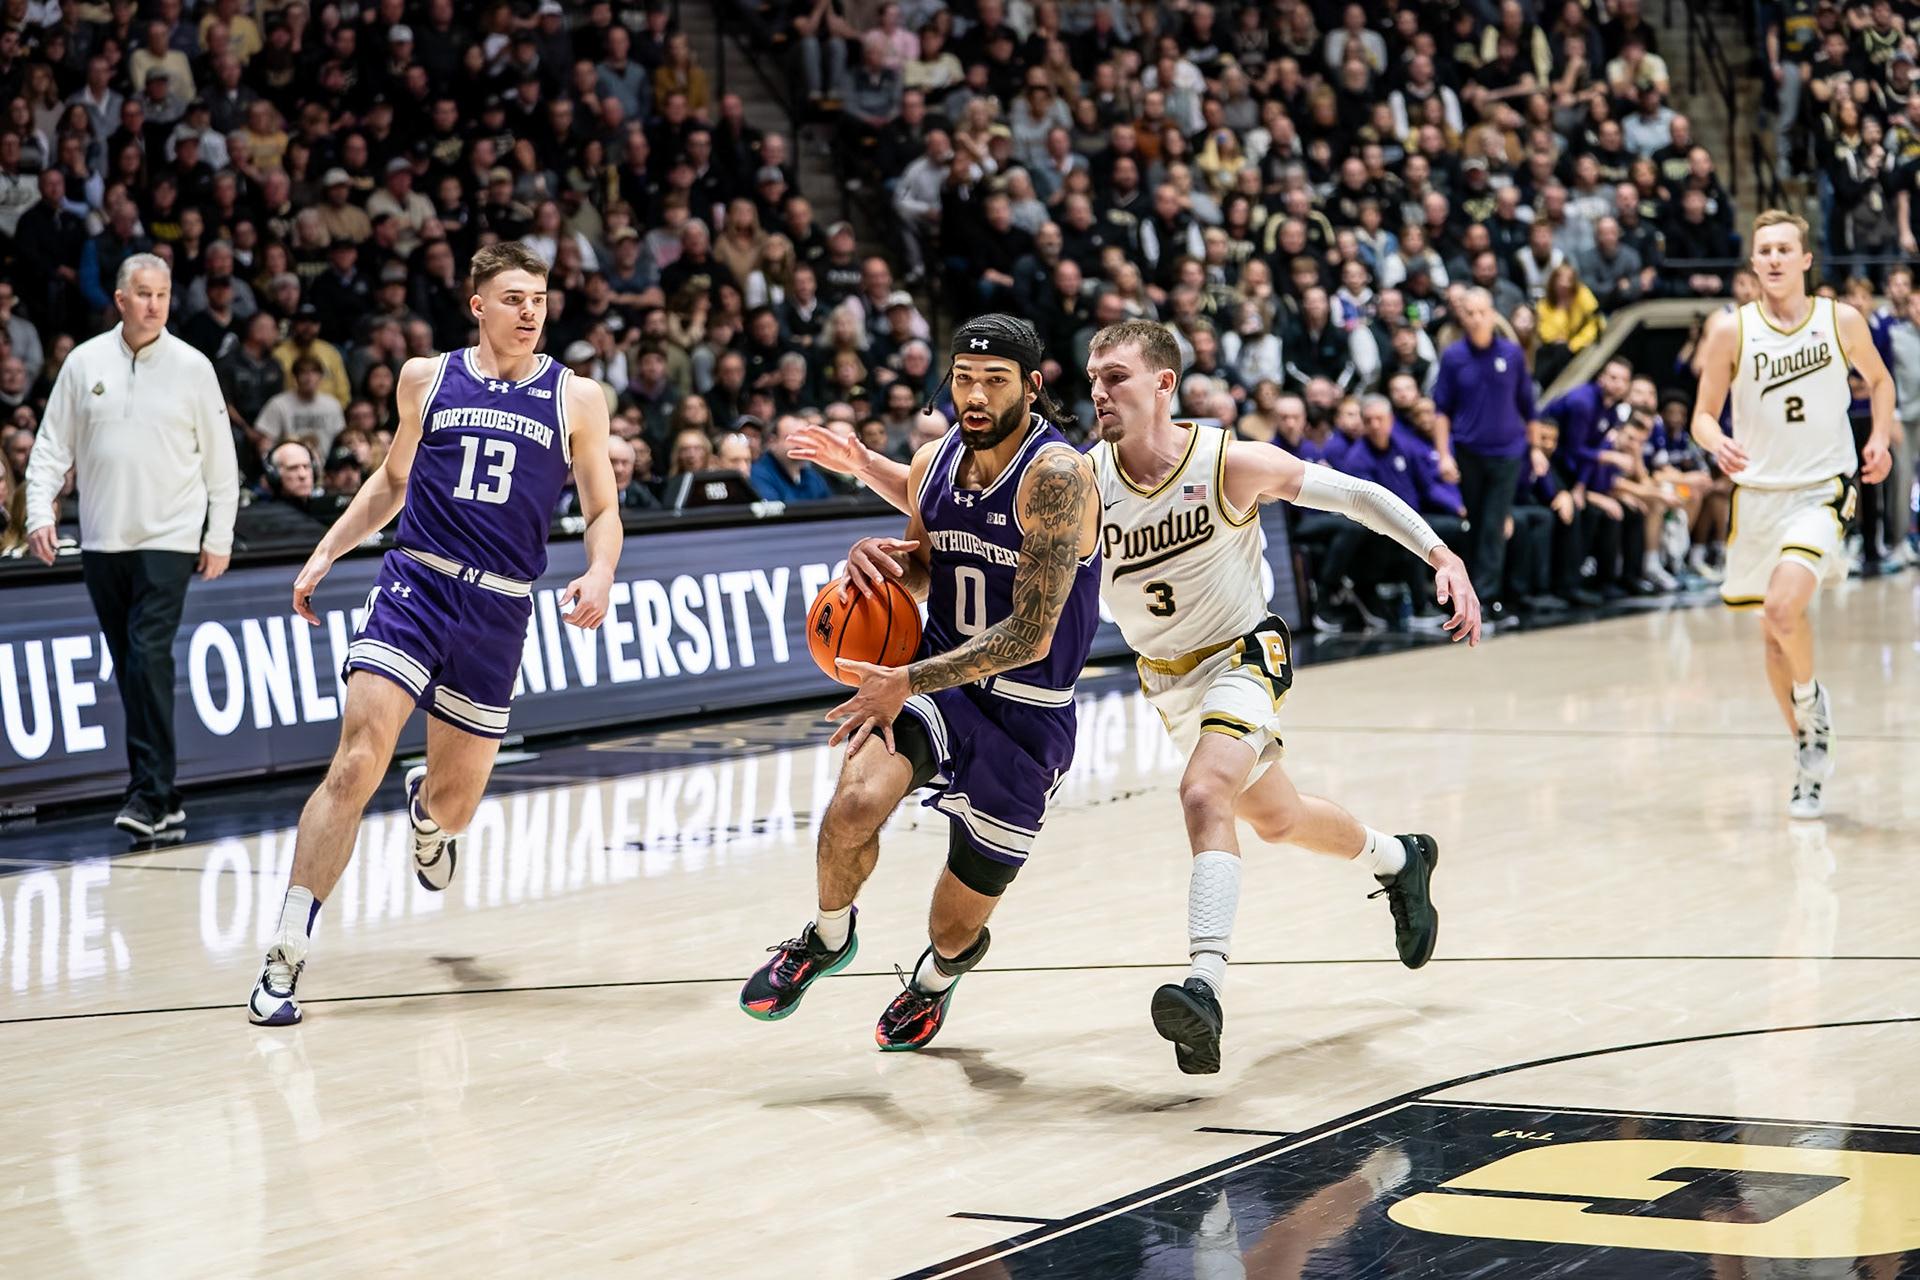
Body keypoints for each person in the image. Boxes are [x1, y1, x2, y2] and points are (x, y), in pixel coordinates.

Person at [792, 320, 1480, 1074]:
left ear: (1163, 383)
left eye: (1115, 376)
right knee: (1277, 819)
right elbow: (953, 502)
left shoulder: (1227, 463)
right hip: (1171, 679)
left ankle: (1204, 989)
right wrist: (867, 467)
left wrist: (1441, 554)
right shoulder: (1080, 480)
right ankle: (1397, 858)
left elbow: (1351, 494)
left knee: (1202, 792)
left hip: (1246, 652)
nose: (1098, 390)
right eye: (1091, 376)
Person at [248, 243, 622, 1026]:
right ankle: (285, 950)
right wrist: (327, 550)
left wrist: (599, 569)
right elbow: (391, 479)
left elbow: (601, 507)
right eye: (514, 298)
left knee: (454, 806)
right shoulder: (426, 378)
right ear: (477, 305)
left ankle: (427, 814)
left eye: (540, 298)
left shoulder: (578, 397)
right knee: (354, 763)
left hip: (498, 611)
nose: (530, 311)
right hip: (414, 585)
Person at [738, 314, 1101, 1052]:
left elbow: (1028, 635)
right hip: (938, 686)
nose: (973, 394)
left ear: (1031, 388)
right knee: (853, 805)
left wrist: (901, 677)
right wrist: (886, 562)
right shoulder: (935, 460)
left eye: (993, 381)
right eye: (963, 378)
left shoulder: (1058, 478)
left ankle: (934, 983)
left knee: (954, 925)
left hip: (1027, 714)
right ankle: (826, 936)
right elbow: (935, 563)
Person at [22, 253, 238, 837]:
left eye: (162, 294)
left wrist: (218, 536)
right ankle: (163, 798)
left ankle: (147, 794)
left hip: (169, 539)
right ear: (120, 299)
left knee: (146, 656)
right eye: (142, 293)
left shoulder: (193, 367)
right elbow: (50, 448)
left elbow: (222, 460)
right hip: (101, 540)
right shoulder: (84, 362)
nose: (153, 304)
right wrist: (38, 512)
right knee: (133, 668)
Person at [1688, 211, 1894, 820]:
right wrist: (1713, 441)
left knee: (1783, 609)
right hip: (1757, 498)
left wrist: (1878, 437)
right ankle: (1806, 747)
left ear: (1806, 260)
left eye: (1785, 249)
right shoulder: (1731, 330)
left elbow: (1880, 382)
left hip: (1822, 489)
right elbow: (1703, 414)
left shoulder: (1840, 319)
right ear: (1753, 265)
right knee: (1772, 637)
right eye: (1764, 251)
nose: (1774, 259)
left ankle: (1812, 705)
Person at [1430, 287, 1543, 625]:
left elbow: (1529, 406)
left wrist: (1536, 449)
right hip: (1469, 452)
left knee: (1494, 525)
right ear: (1462, 316)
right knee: (1475, 525)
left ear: (1493, 314)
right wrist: (1443, 454)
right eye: (1470, 313)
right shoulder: (1453, 357)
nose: (1477, 318)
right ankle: (1468, 597)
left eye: (1483, 312)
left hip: (1508, 453)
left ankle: (1488, 600)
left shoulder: (1511, 354)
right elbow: (1441, 410)